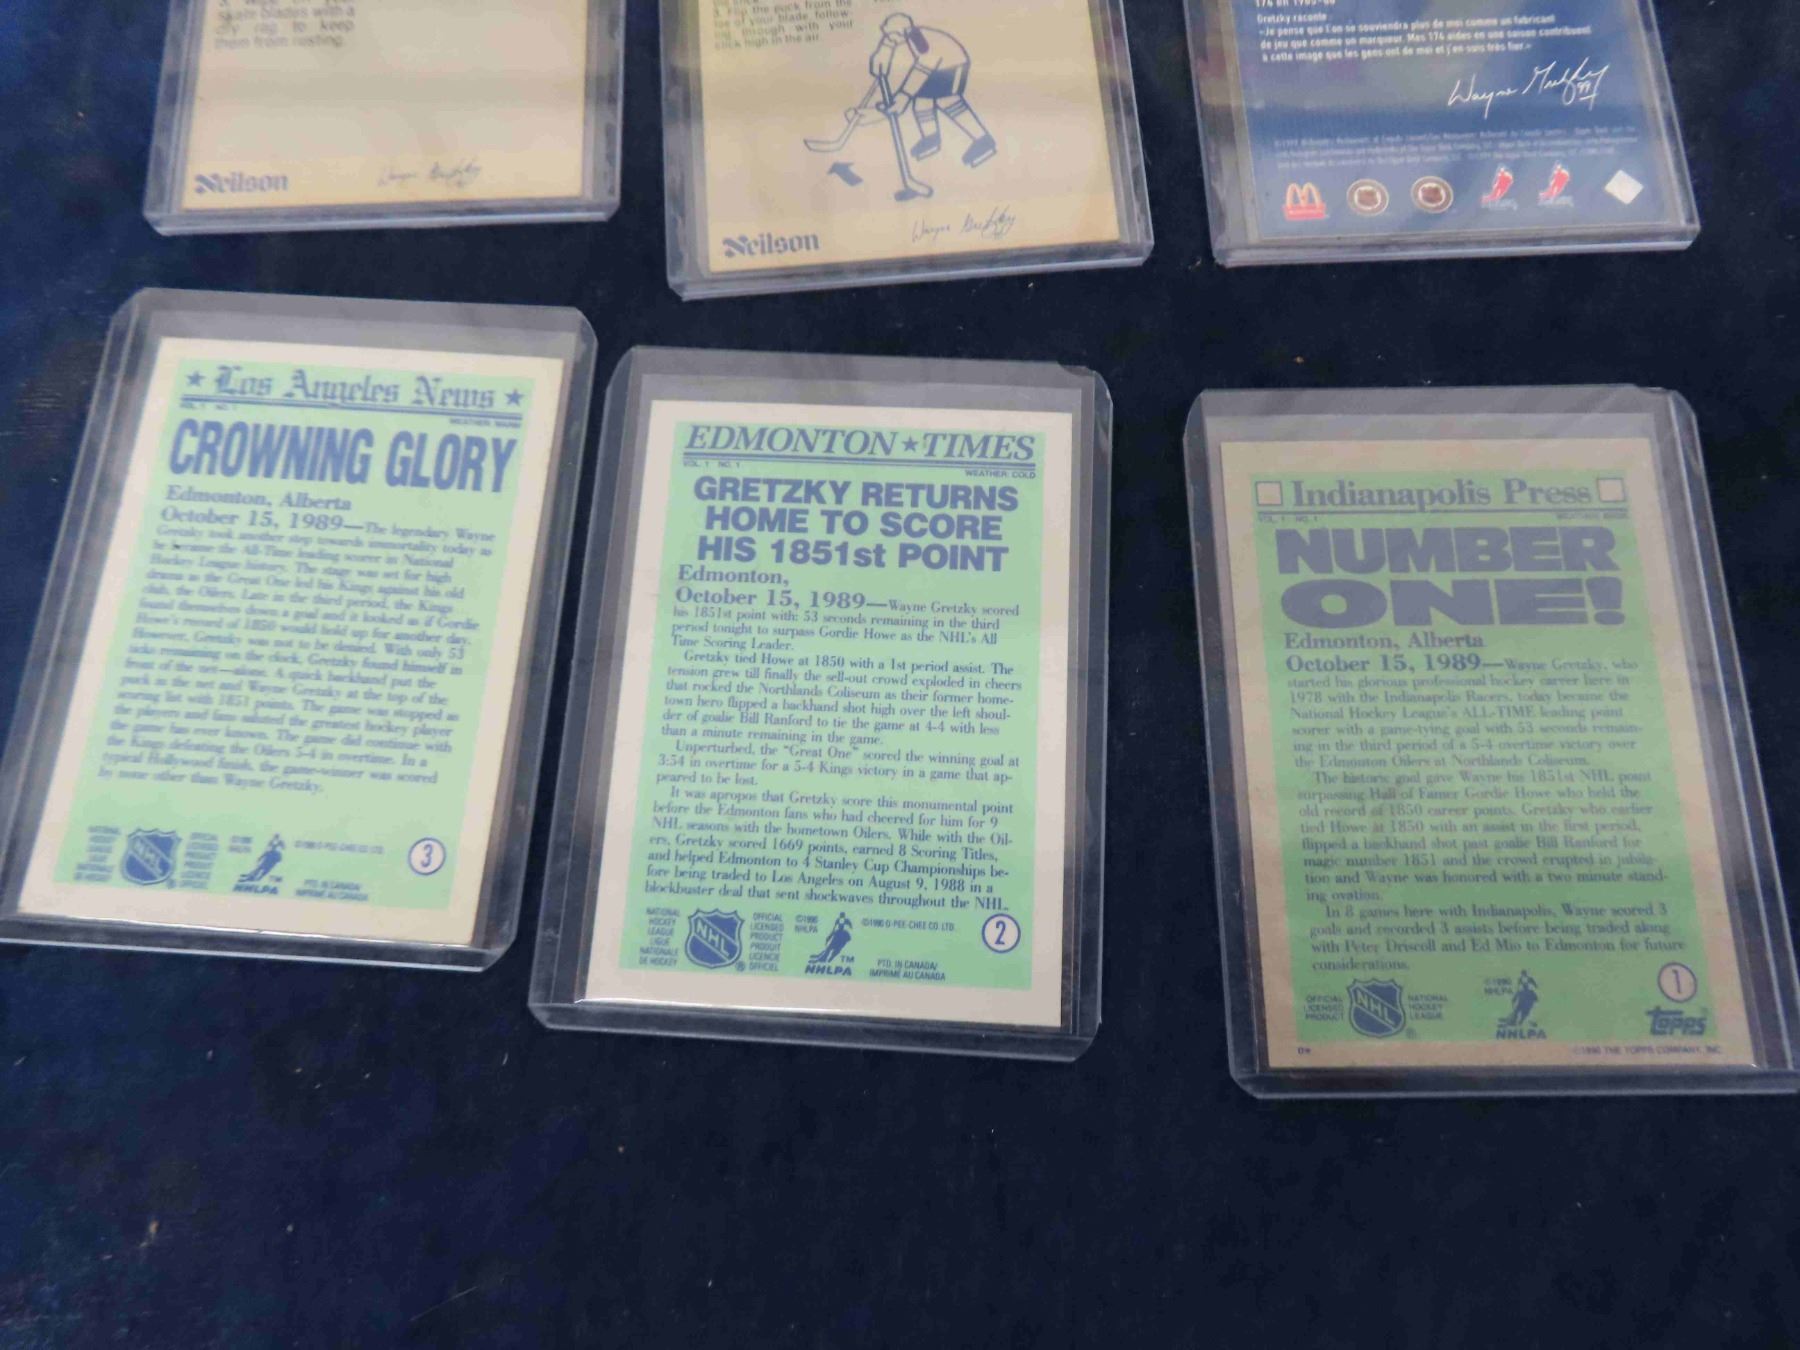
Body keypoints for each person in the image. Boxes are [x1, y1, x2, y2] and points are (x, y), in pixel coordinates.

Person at [869, 14, 997, 169]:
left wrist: (904, 97)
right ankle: (931, 137)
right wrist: (883, 55)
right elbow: (885, 54)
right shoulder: (901, 36)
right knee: (921, 101)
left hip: (953, 64)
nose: (890, 38)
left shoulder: (917, 37)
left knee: (948, 100)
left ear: (903, 31)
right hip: (937, 67)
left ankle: (983, 140)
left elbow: (924, 66)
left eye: (892, 35)